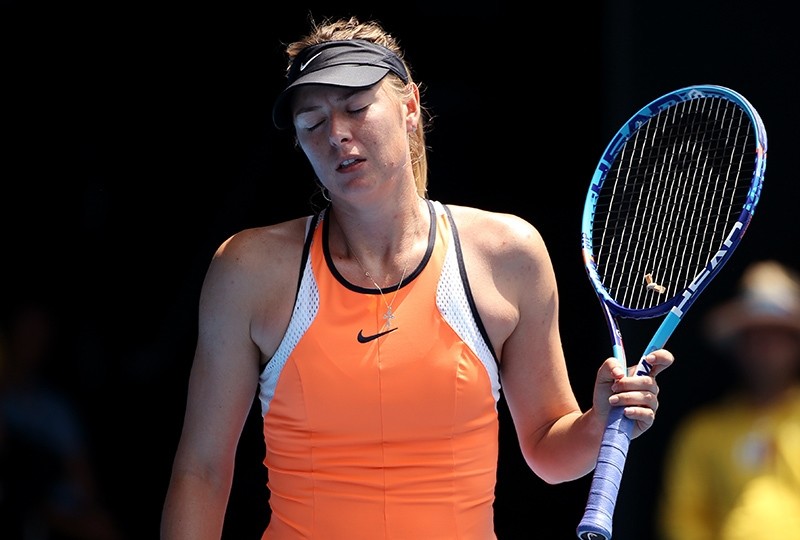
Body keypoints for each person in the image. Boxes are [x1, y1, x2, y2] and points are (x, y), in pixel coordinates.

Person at [161, 15, 674, 539]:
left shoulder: (507, 254)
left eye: (356, 108)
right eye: (312, 123)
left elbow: (549, 450)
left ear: (409, 107)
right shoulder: (248, 269)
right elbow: (201, 470)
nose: (337, 133)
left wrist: (599, 423)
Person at [658, 260, 800, 540]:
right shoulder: (702, 431)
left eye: (776, 335)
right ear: (737, 346)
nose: (765, 347)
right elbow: (683, 520)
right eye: (754, 335)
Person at [0, 294, 125, 540]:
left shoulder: (55, 409)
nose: (33, 340)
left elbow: (82, 483)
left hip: (50, 517)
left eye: (40, 332)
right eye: (27, 329)